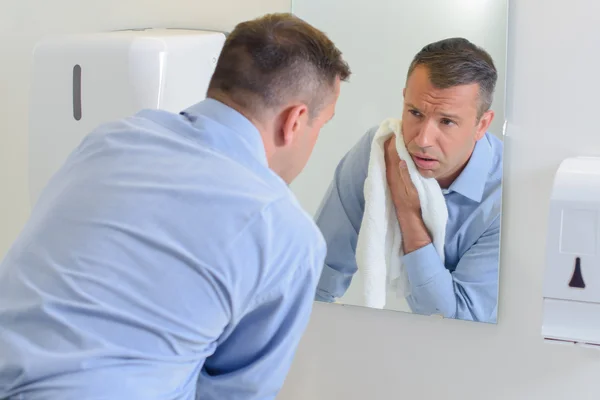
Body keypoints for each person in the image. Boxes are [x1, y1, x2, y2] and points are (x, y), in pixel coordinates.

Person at [0, 13, 350, 399]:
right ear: (295, 121)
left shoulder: (109, 140)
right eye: (323, 124)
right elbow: (235, 393)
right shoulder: (284, 231)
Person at [314, 37, 502, 323]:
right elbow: (317, 278)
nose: (422, 140)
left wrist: (408, 214)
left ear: (482, 125)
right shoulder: (379, 151)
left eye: (447, 121)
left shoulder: (506, 195)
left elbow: (459, 326)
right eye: (415, 113)